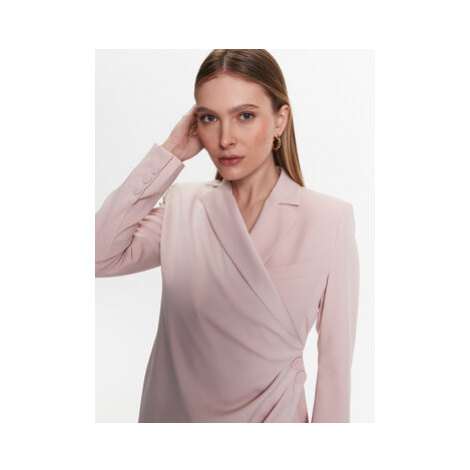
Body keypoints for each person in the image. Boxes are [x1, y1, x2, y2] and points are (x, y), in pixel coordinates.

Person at [95, 49, 360, 423]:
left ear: (280, 120)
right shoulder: (184, 207)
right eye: (209, 118)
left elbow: (335, 366)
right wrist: (171, 153)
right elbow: (96, 255)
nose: (225, 139)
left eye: (245, 116)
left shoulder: (330, 219)